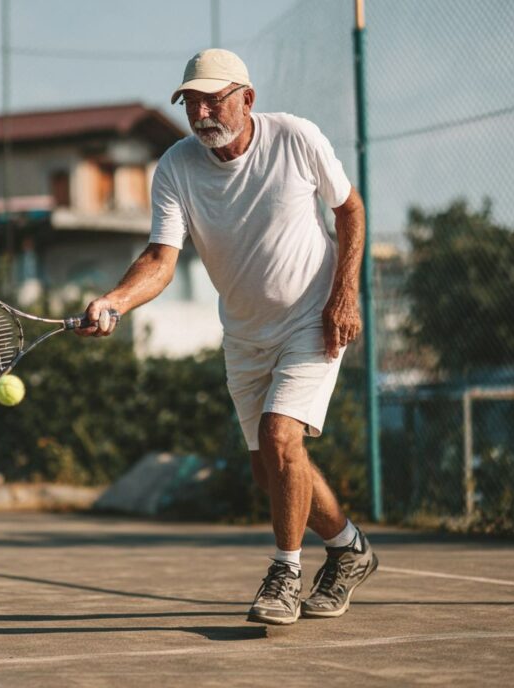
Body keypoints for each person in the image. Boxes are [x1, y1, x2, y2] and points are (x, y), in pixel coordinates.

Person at [77, 48, 378, 625]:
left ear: (248, 98)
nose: (202, 112)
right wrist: (115, 300)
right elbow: (162, 260)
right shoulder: (175, 167)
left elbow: (350, 210)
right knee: (271, 469)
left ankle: (284, 575)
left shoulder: (295, 137)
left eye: (214, 99)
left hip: (310, 318)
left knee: (281, 437)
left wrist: (345, 295)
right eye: (192, 101)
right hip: (244, 334)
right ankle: (348, 550)